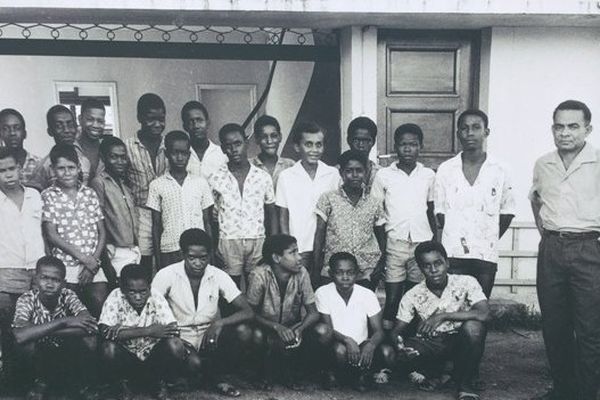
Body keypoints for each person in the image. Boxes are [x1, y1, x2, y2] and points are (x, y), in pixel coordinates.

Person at [529, 100, 600, 400]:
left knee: (589, 328)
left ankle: (587, 393)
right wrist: (547, 233)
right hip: (552, 249)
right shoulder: (543, 163)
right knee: (555, 326)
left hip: (589, 249)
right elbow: (535, 200)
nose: (565, 133)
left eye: (573, 126)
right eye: (559, 126)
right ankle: (563, 389)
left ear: (588, 128)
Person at [152, 228, 254, 396]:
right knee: (188, 359)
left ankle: (217, 377)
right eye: (192, 257)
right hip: (178, 337)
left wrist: (219, 323)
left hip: (208, 336)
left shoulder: (218, 275)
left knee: (244, 332)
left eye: (203, 257)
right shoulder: (166, 275)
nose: (198, 263)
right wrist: (168, 332)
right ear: (182, 254)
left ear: (210, 255)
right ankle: (168, 379)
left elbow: (248, 311)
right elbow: (150, 309)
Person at [391, 241, 490, 400]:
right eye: (427, 265)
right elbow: (397, 331)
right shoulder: (413, 294)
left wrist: (442, 316)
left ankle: (465, 385)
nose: (434, 270)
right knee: (400, 355)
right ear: (420, 268)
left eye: (438, 263)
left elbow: (484, 314)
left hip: (462, 342)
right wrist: (400, 346)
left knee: (474, 328)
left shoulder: (466, 282)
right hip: (434, 343)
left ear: (447, 263)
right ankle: (443, 372)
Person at [434, 109, 515, 298]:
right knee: (454, 306)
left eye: (476, 128)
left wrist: (486, 236)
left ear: (486, 132)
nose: (470, 133)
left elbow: (507, 211)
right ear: (458, 134)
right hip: (453, 253)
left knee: (479, 308)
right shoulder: (446, 170)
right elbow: (440, 212)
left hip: (485, 254)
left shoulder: (500, 169)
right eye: (464, 128)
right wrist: (460, 235)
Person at [371, 123, 436, 327]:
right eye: (403, 144)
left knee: (415, 295)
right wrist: (382, 247)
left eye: (413, 144)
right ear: (395, 147)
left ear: (420, 146)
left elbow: (431, 209)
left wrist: (435, 241)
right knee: (393, 297)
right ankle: (389, 338)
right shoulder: (383, 175)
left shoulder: (428, 175)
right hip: (395, 243)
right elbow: (377, 212)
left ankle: (410, 340)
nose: (408, 149)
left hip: (421, 243)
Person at [12, 256, 99, 400]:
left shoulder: (68, 295)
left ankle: (82, 384)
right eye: (44, 278)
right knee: (25, 344)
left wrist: (39, 331)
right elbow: (20, 335)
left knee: (91, 338)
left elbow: (90, 325)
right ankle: (37, 383)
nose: (49, 284)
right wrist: (64, 321)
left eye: (56, 280)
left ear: (64, 283)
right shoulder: (27, 299)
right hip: (40, 354)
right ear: (35, 279)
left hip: (63, 351)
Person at [246, 234, 325, 388]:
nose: (299, 257)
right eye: (293, 253)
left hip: (291, 329)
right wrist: (276, 327)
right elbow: (249, 313)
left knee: (322, 330)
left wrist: (299, 329)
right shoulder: (260, 275)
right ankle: (260, 374)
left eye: (298, 251)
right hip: (265, 329)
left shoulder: (302, 273)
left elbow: (313, 313)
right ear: (276, 258)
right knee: (254, 334)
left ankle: (295, 373)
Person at [99, 263, 185, 400]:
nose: (138, 297)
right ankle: (122, 385)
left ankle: (159, 382)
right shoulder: (115, 297)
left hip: (153, 358)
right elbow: (105, 333)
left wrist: (122, 330)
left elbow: (173, 330)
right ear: (122, 289)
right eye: (132, 292)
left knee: (175, 344)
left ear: (149, 288)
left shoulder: (156, 296)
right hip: (127, 358)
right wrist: (149, 330)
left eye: (143, 291)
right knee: (108, 348)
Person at [41, 144, 108, 318]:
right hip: (65, 266)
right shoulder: (48, 195)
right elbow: (52, 235)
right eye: (61, 168)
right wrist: (84, 259)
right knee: (68, 311)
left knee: (99, 304)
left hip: (94, 263)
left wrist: (92, 262)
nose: (67, 172)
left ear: (79, 168)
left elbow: (102, 232)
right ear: (53, 170)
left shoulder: (89, 194)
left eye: (71, 167)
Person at [209, 123, 277, 286]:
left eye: (238, 144)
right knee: (229, 290)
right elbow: (212, 217)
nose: (234, 149)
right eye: (228, 145)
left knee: (257, 288)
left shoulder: (262, 177)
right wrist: (215, 245)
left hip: (257, 240)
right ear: (223, 149)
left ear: (246, 144)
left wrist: (272, 244)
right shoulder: (215, 178)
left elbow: (271, 213)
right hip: (228, 241)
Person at [315, 252, 394, 391]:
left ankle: (360, 375)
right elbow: (327, 329)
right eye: (339, 273)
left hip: (361, 346)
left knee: (387, 352)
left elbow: (379, 331)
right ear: (330, 273)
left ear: (357, 273)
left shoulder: (367, 294)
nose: (345, 277)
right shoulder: (323, 292)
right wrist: (347, 340)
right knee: (339, 351)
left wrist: (370, 344)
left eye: (350, 272)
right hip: (337, 345)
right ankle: (332, 373)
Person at [0, 147, 45, 377]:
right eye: (1, 171)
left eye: (11, 168)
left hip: (37, 272)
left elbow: (44, 233)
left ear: (20, 169)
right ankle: (13, 380)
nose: (7, 174)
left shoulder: (35, 196)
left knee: (38, 325)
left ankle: (39, 378)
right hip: (6, 274)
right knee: (9, 328)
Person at [313, 150, 386, 289]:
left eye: (359, 171)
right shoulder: (328, 199)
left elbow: (381, 236)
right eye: (349, 171)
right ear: (341, 173)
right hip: (335, 270)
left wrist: (380, 265)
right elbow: (319, 234)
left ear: (365, 173)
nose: (354, 175)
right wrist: (316, 268)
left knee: (362, 308)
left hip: (366, 270)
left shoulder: (374, 202)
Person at [275, 122, 339, 276]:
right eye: (308, 144)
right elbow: (283, 216)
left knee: (321, 287)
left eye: (319, 145)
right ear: (297, 147)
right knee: (298, 288)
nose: (314, 150)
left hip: (326, 247)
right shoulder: (286, 176)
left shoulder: (332, 174)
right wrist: (288, 249)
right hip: (299, 247)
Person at [146, 131, 214, 269]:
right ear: (166, 153)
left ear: (189, 154)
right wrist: (159, 260)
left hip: (197, 250)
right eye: (175, 153)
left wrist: (210, 254)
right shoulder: (156, 185)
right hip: (170, 250)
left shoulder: (200, 183)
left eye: (184, 153)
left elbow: (207, 222)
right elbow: (156, 226)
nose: (179, 157)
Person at [125, 93, 168, 269]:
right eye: (151, 119)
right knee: (143, 263)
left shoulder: (170, 145)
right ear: (140, 118)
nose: (157, 124)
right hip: (141, 214)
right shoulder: (127, 147)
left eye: (161, 119)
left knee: (166, 261)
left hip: (167, 213)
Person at [90, 136, 140, 283]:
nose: (120, 162)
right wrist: (106, 262)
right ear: (103, 158)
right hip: (114, 252)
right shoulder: (99, 183)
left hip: (132, 250)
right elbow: (99, 222)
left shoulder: (125, 184)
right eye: (114, 157)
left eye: (123, 157)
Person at [29, 105, 92, 191]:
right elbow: (36, 195)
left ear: (76, 128)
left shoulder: (85, 159)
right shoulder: (44, 166)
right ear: (50, 131)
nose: (66, 130)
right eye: (59, 126)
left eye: (70, 125)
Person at [180, 101, 227, 180]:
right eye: (191, 122)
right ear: (185, 126)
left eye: (199, 120)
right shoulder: (181, 155)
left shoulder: (222, 154)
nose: (196, 126)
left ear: (208, 122)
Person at [250, 115, 295, 188]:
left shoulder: (290, 165)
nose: (269, 141)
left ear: (280, 137)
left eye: (274, 136)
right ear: (257, 139)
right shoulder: (249, 166)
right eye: (264, 137)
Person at [0, 108, 41, 187]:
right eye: (6, 129)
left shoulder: (40, 164)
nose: (12, 133)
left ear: (25, 133)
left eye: (17, 128)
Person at [345, 117, 380, 192]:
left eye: (366, 140)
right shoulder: (337, 173)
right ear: (348, 140)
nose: (361, 145)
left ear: (373, 142)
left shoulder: (381, 174)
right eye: (356, 140)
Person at [77, 98, 106, 181]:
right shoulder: (71, 149)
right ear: (80, 119)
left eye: (100, 121)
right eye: (90, 119)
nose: (95, 125)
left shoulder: (107, 149)